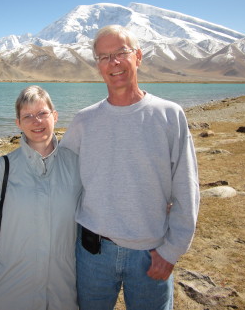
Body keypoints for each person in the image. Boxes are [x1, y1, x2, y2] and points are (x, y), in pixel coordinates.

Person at [60, 25, 200, 310]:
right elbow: (59, 178)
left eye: (121, 53)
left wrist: (171, 251)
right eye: (104, 57)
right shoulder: (84, 121)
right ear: (98, 66)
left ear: (138, 56)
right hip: (92, 252)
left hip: (151, 252)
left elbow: (186, 187)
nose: (113, 63)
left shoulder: (169, 115)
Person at [0, 85, 82, 310]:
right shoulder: (1, 169)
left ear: (55, 116)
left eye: (42, 113)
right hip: (11, 291)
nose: (36, 121)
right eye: (27, 116)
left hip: (64, 291)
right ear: (18, 123)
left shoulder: (76, 165)